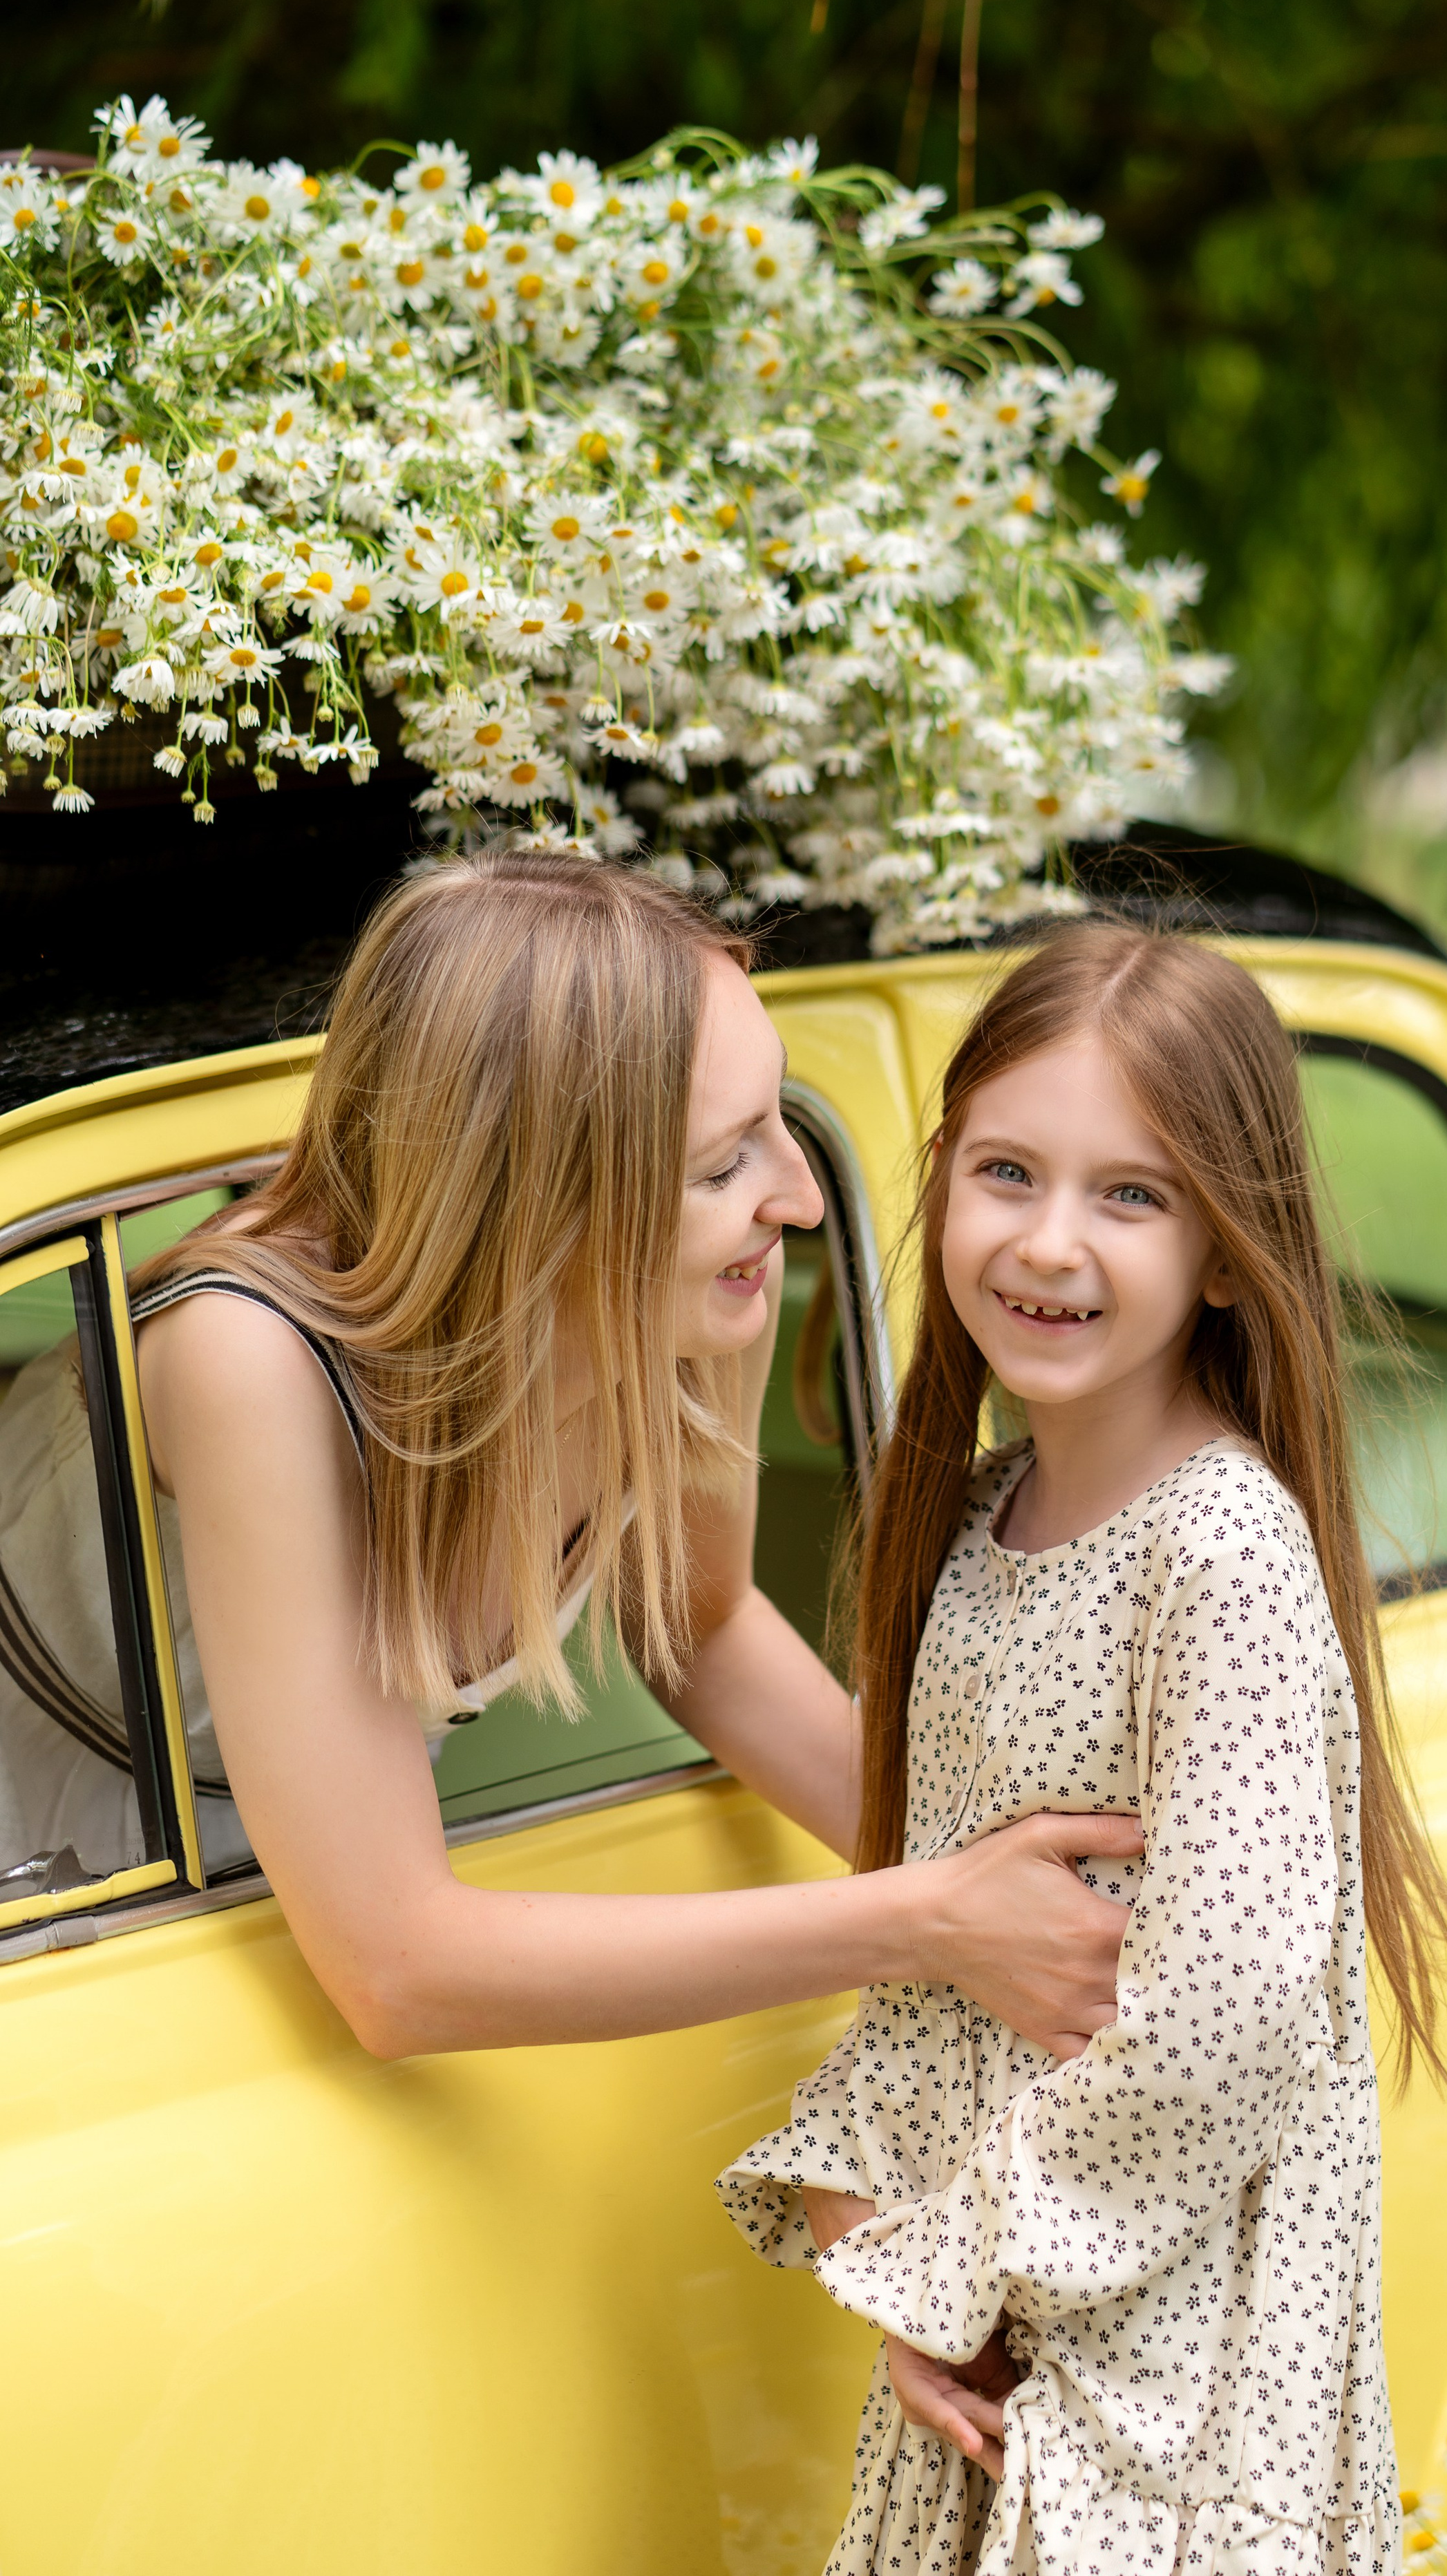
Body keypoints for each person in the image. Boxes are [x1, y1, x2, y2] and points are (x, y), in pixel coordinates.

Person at [0, 857, 1141, 2056]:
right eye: (724, 1164)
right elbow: (397, 1969)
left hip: (285, 1858)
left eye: (778, 1124)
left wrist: (996, 1880)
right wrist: (921, 1922)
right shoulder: (251, 1362)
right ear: (538, 1204)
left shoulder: (688, 1308)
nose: (799, 1199)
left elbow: (697, 1624)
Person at [717, 920, 1447, 2576]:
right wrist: (877, 2235)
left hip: (1179, 2418)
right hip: (1017, 2374)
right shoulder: (983, 1526)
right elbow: (945, 1958)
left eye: (1128, 1194)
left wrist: (948, 2265)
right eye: (1005, 1172)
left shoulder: (1218, 1556)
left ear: (1223, 1245)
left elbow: (1220, 2027)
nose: (1048, 1244)